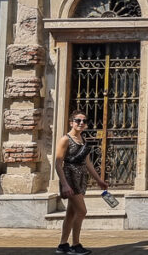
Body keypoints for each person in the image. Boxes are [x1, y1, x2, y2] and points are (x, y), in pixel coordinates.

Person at [55, 109, 107, 255]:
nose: (81, 123)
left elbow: (88, 163)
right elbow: (58, 163)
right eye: (78, 120)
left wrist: (99, 181)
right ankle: (75, 245)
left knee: (71, 213)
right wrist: (64, 184)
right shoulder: (65, 139)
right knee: (82, 211)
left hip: (81, 179)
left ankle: (63, 245)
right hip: (70, 178)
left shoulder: (83, 140)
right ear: (71, 122)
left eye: (84, 121)